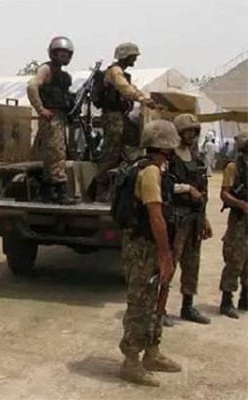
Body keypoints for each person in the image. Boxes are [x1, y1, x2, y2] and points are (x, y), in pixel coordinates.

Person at [119, 120, 182, 387]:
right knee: (140, 303)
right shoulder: (150, 173)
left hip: (148, 246)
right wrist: (166, 255)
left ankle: (152, 352)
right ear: (165, 147)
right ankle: (131, 361)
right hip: (144, 248)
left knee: (157, 300)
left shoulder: (151, 168)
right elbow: (156, 216)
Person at [92, 42, 157, 200]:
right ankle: (100, 188)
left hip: (120, 115)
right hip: (113, 116)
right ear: (125, 56)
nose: (135, 59)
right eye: (133, 56)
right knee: (111, 151)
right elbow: (124, 88)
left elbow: (131, 88)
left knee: (124, 150)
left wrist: (146, 99)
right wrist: (142, 99)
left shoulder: (121, 72)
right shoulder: (115, 71)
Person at [167, 114, 212, 325]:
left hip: (194, 219)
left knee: (192, 265)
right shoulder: (169, 158)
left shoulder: (196, 158)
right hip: (176, 218)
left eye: (194, 131)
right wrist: (186, 188)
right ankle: (160, 308)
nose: (191, 135)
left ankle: (187, 306)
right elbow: (164, 185)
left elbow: (203, 192)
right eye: (187, 131)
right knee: (169, 264)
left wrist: (205, 219)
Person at [27, 36, 76, 204]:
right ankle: (60, 192)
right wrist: (40, 109)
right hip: (51, 117)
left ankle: (49, 191)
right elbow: (32, 86)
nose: (64, 57)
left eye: (66, 54)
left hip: (59, 116)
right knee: (57, 154)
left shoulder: (63, 75)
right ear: (53, 53)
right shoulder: (46, 69)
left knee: (54, 154)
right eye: (60, 54)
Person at [218, 132, 248, 319]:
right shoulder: (234, 167)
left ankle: (245, 298)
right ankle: (226, 300)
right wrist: (241, 204)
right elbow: (224, 194)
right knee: (235, 259)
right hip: (239, 219)